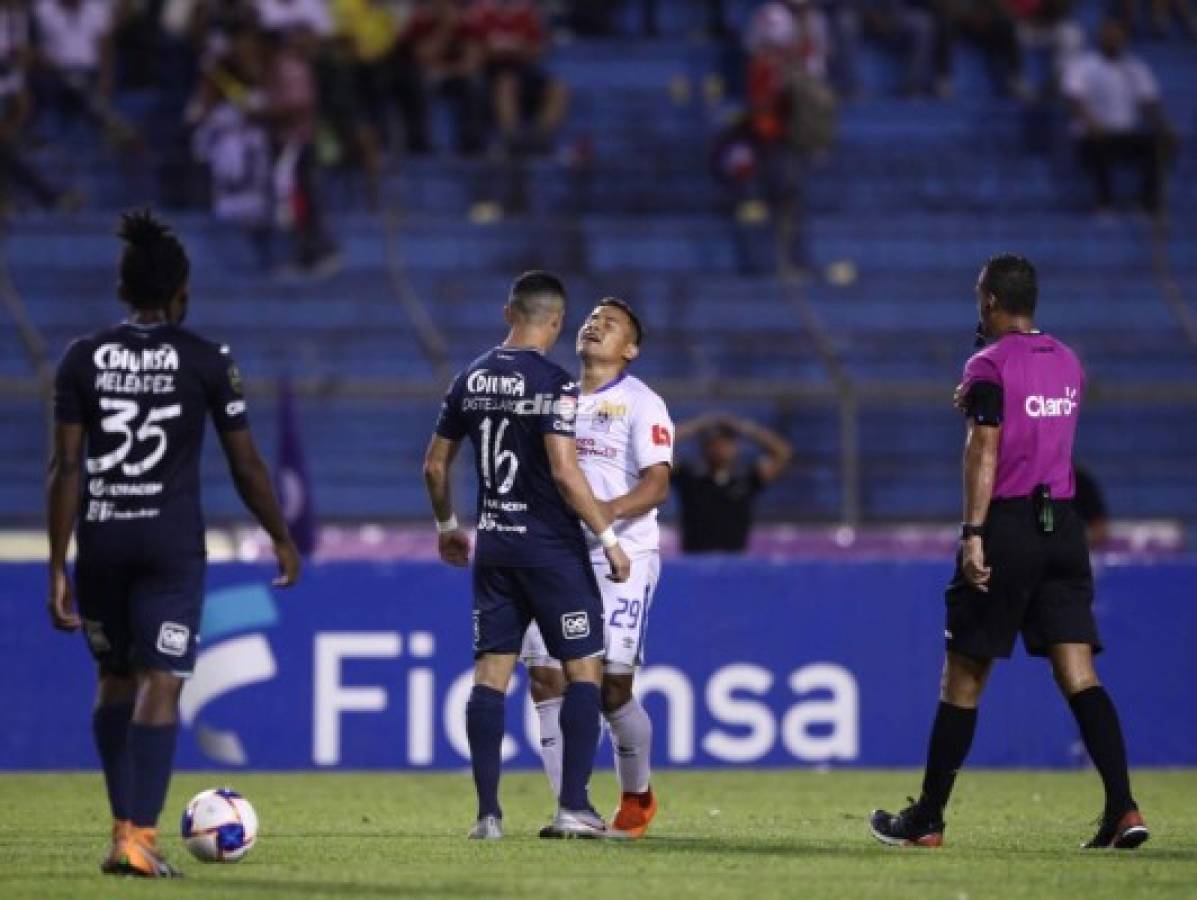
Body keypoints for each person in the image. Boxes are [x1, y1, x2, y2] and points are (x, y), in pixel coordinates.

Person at [46, 209, 301, 878]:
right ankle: (139, 837)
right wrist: (280, 535)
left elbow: (65, 468)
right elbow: (245, 464)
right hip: (169, 546)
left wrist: (55, 565)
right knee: (161, 681)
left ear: (123, 291)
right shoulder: (206, 359)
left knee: (113, 679)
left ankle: (122, 831)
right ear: (181, 292)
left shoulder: (81, 357)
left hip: (101, 540)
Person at [869, 254, 1148, 850]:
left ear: (990, 301)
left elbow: (985, 450)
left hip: (1010, 525)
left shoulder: (987, 364)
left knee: (964, 676)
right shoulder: (1069, 362)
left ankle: (929, 819)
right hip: (1064, 526)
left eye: (979, 296)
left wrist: (973, 533)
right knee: (1079, 673)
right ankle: (1123, 808)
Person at [423, 271, 631, 840]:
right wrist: (609, 540)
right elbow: (566, 474)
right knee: (583, 670)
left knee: (491, 675)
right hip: (551, 552)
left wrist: (447, 527)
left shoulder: (468, 377)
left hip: (494, 547)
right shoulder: (555, 383)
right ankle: (573, 807)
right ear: (558, 321)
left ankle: (487, 816)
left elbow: (434, 466)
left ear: (507, 311)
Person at [519, 297, 674, 840]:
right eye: (590, 320)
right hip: (555, 554)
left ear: (629, 349)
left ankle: (638, 797)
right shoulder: (554, 395)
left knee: (611, 689)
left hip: (623, 553)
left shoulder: (642, 402)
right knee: (546, 678)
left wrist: (606, 514)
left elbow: (657, 483)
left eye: (610, 324)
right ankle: (572, 809)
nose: (594, 326)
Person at [1062, 19, 1174, 217]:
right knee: (1098, 144)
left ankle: (1147, 202)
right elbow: (1074, 99)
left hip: (1124, 134)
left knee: (1162, 143)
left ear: (1124, 38)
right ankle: (1104, 203)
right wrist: (1092, 124)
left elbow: (1148, 102)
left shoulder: (1135, 68)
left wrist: (1163, 126)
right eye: (1108, 34)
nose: (1113, 39)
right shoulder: (1083, 65)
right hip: (1092, 134)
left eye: (1117, 35)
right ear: (1100, 36)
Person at [671, 413, 793, 554]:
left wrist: (744, 427)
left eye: (725, 443)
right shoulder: (688, 478)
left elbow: (782, 452)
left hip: (734, 563)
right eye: (713, 444)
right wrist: (697, 426)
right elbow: (658, 450)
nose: (719, 449)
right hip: (695, 561)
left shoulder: (747, 479)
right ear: (704, 447)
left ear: (735, 446)